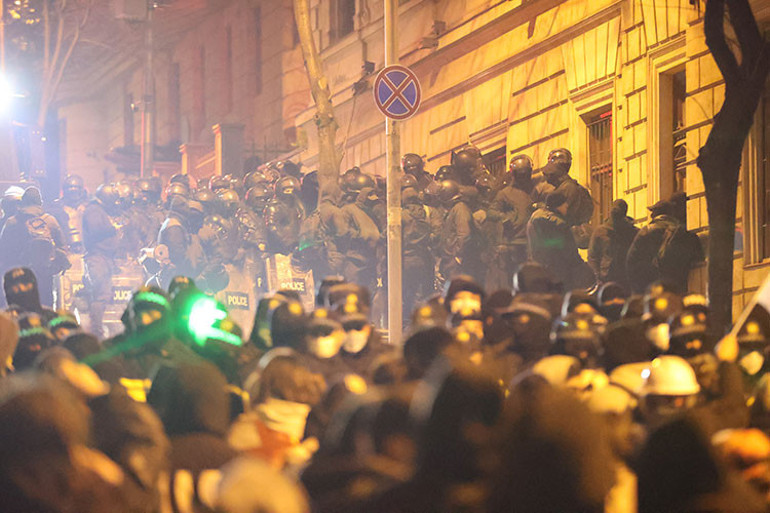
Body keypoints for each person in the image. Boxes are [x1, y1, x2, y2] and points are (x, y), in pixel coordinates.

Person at [0, 187, 68, 308]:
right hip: (44, 275)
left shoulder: (12, 222)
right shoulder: (50, 221)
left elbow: (3, 251)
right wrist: (53, 267)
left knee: (19, 309)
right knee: (44, 307)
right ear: (39, 202)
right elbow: (62, 248)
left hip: (19, 275)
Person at [627, 196, 703, 294]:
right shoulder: (684, 233)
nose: (651, 215)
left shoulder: (647, 231)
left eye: (653, 212)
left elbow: (631, 261)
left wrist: (640, 288)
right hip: (678, 289)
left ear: (656, 214)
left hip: (653, 290)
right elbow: (698, 259)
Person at [527, 191, 594, 290]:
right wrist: (583, 267)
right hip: (560, 270)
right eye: (564, 203)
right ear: (557, 205)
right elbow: (570, 252)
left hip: (540, 267)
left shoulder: (534, 217)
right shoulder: (560, 224)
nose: (567, 205)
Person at [487, 154, 535, 288]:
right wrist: (505, 218)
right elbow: (491, 212)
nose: (523, 178)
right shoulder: (505, 193)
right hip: (513, 243)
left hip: (533, 242)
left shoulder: (536, 189)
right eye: (520, 175)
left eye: (525, 174)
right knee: (512, 281)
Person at [82, 184, 121, 336]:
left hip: (103, 258)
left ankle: (97, 330)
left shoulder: (98, 210)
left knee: (103, 295)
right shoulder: (93, 210)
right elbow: (95, 230)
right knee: (100, 295)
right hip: (97, 258)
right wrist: (114, 228)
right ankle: (96, 332)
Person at [588, 199, 638, 289]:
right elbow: (592, 256)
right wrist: (597, 276)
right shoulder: (600, 231)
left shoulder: (632, 232)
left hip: (625, 279)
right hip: (606, 279)